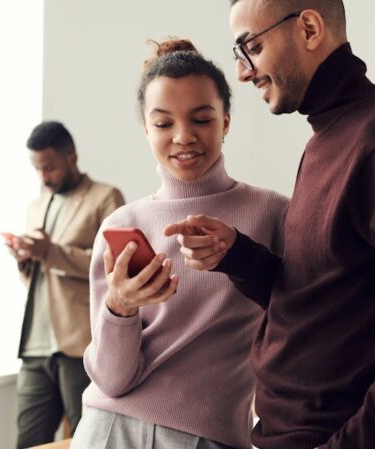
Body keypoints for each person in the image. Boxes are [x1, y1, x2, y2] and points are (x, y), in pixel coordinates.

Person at [164, 2, 375, 448]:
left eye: (250, 47)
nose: (242, 72)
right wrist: (236, 254)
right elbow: (319, 298)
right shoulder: (325, 140)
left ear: (309, 28)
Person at [69, 39, 288, 449]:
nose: (183, 137)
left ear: (225, 121)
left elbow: (310, 313)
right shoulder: (123, 224)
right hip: (109, 430)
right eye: (164, 124)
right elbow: (113, 381)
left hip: (211, 435)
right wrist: (120, 308)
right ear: (146, 131)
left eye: (201, 119)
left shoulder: (272, 212)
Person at [6, 120, 125, 449]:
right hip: (35, 345)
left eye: (50, 167)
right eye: (37, 169)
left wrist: (52, 252)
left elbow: (113, 264)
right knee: (28, 441)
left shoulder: (105, 197)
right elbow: (37, 275)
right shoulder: (37, 205)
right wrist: (25, 257)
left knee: (87, 438)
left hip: (79, 345)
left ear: (71, 157)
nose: (43, 177)